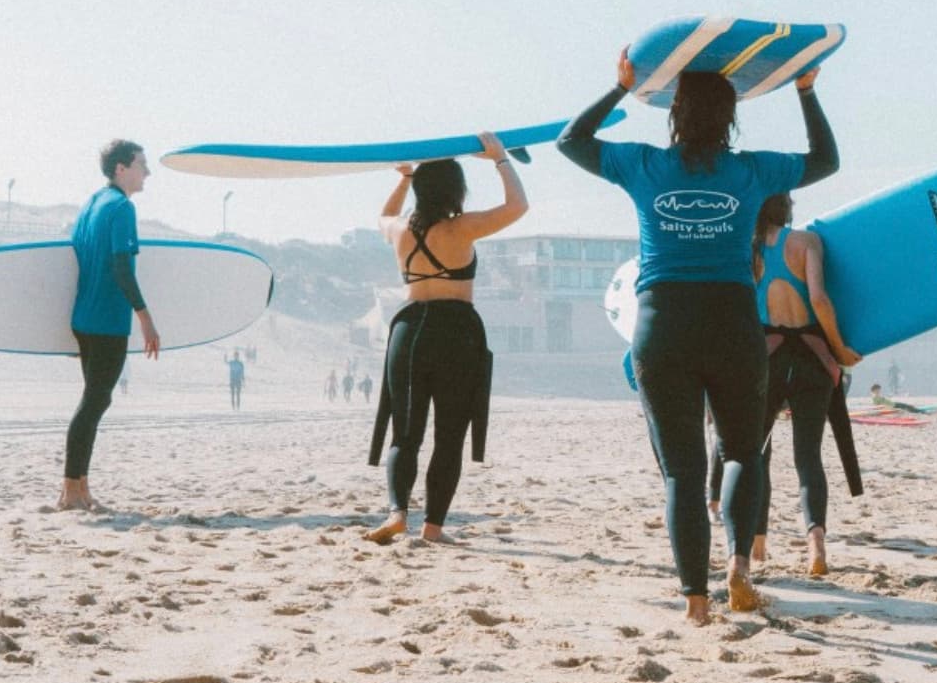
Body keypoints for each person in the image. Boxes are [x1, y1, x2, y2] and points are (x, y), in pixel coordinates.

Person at [559, 51, 838, 624]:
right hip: (733, 320)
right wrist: (805, 90)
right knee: (741, 450)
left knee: (683, 472)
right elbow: (825, 161)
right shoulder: (751, 171)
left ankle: (695, 602)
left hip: (663, 323)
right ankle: (738, 565)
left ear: (673, 114)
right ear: (731, 118)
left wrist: (619, 87)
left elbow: (571, 141)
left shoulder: (642, 166)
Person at [363, 135, 525, 545]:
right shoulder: (463, 227)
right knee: (449, 434)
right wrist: (501, 160)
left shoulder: (399, 230)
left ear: (420, 190)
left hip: (409, 331)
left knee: (406, 433)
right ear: (457, 191)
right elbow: (517, 206)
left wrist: (403, 179)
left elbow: (383, 216)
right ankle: (433, 527)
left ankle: (397, 512)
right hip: (456, 332)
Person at [746, 193, 860, 576]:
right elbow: (819, 299)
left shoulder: (749, 249)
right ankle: (816, 550)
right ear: (787, 208)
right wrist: (839, 349)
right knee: (808, 456)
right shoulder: (808, 242)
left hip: (768, 359)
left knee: (756, 451)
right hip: (813, 360)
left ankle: (756, 545)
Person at [60, 139, 159, 512]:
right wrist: (146, 318)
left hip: (84, 318)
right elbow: (121, 267)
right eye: (141, 164)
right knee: (94, 402)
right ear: (121, 168)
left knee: (94, 400)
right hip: (107, 321)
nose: (146, 172)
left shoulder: (91, 205)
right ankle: (71, 490)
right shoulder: (121, 208)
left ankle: (80, 488)